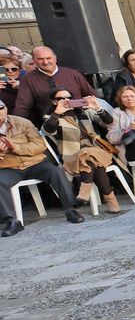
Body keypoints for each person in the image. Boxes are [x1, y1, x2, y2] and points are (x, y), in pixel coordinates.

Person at [0, 99, 80, 235]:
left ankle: (70, 209)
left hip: (34, 163)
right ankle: (11, 221)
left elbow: (39, 145)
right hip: (8, 167)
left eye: (1, 108)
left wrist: (15, 147)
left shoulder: (22, 122)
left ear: (6, 109)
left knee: (55, 171)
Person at [42, 88, 122, 214]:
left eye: (69, 97)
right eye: (61, 98)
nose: (66, 100)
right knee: (90, 158)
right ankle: (111, 200)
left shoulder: (84, 112)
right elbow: (48, 131)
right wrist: (57, 113)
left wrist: (97, 108)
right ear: (54, 102)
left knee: (87, 153)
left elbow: (109, 123)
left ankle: (85, 188)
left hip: (98, 151)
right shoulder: (51, 117)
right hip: (72, 157)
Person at [15, 46, 99, 125]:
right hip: (50, 125)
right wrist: (16, 125)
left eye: (48, 58)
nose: (45, 62)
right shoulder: (28, 79)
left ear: (55, 58)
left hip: (82, 123)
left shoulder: (73, 74)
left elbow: (93, 97)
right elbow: (22, 106)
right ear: (34, 60)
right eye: (40, 59)